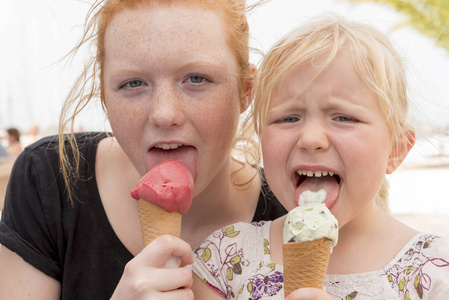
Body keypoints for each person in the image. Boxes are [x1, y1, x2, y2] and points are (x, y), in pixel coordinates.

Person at [0, 0, 286, 299]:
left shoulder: (295, 218)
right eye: (133, 83)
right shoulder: (49, 179)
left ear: (246, 89)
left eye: (197, 79)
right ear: (104, 95)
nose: (164, 114)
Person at [192, 14, 449, 299]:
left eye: (343, 117)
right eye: (288, 118)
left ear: (397, 149)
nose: (311, 139)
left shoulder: (436, 271)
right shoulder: (225, 259)